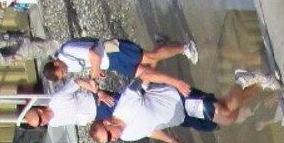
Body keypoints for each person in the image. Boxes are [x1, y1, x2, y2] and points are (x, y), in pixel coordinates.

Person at [90, 68, 281, 143]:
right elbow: (148, 130)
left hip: (180, 98)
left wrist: (177, 83)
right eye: (109, 141)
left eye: (109, 135)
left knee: (225, 111)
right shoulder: (126, 136)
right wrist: (168, 139)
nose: (113, 139)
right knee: (229, 117)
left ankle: (242, 79)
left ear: (106, 123)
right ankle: (260, 84)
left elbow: (145, 75)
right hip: (183, 117)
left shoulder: (125, 102)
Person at [45, 37, 194, 90]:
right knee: (145, 74)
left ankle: (185, 47)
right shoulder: (66, 66)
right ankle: (161, 43)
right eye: (63, 75)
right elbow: (91, 63)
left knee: (151, 57)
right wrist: (97, 70)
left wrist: (93, 77)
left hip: (113, 51)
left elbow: (94, 55)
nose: (65, 72)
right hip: (111, 64)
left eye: (62, 71)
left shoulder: (68, 50)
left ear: (56, 63)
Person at [24, 79, 113, 130]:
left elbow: (76, 82)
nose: (42, 124)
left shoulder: (57, 100)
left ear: (40, 111)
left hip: (98, 102)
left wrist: (98, 92)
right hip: (97, 117)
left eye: (40, 121)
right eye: (39, 125)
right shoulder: (54, 123)